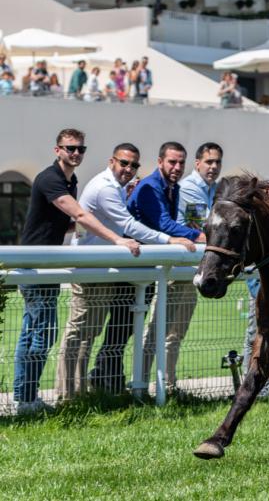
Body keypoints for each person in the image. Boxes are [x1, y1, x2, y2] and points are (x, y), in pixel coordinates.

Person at [14, 129, 140, 414]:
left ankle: (27, 397)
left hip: (47, 262)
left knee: (35, 331)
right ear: (57, 149)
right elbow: (80, 215)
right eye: (70, 148)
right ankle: (26, 400)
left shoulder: (70, 181)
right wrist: (117, 238)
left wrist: (98, 223)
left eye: (80, 149)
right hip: (35, 263)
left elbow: (67, 223)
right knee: (40, 333)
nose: (76, 153)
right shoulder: (50, 179)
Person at [56, 143, 194, 399]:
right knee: (86, 333)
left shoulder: (128, 187)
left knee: (96, 332)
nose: (128, 169)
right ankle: (70, 394)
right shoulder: (115, 187)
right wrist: (171, 240)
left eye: (133, 165)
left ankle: (89, 390)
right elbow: (133, 224)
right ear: (112, 161)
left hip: (108, 266)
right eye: (124, 163)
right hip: (97, 266)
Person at [128, 142, 207, 393]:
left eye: (180, 163)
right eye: (172, 162)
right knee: (130, 333)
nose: (177, 167)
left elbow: (168, 224)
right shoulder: (150, 186)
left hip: (151, 266)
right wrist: (201, 237)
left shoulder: (172, 187)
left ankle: (152, 386)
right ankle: (136, 386)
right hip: (135, 266)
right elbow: (164, 224)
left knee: (138, 332)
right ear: (160, 161)